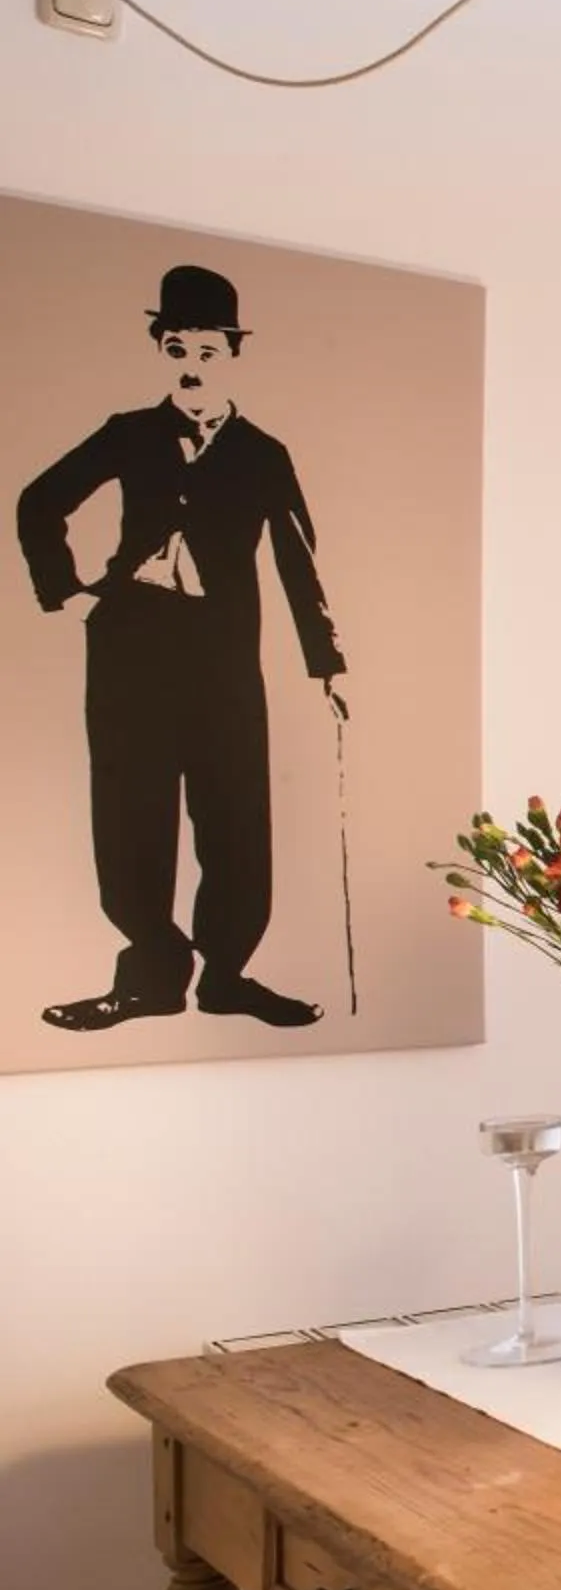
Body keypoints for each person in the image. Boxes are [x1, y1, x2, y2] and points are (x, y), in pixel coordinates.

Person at [16, 263, 346, 1031]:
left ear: (232, 354)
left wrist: (325, 662)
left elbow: (300, 561)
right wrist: (64, 594)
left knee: (234, 809)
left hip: (224, 652)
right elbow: (40, 501)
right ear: (160, 350)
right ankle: (150, 977)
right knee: (132, 809)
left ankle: (227, 974)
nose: (192, 367)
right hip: (131, 644)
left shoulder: (263, 452)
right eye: (177, 350)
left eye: (207, 350)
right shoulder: (129, 433)